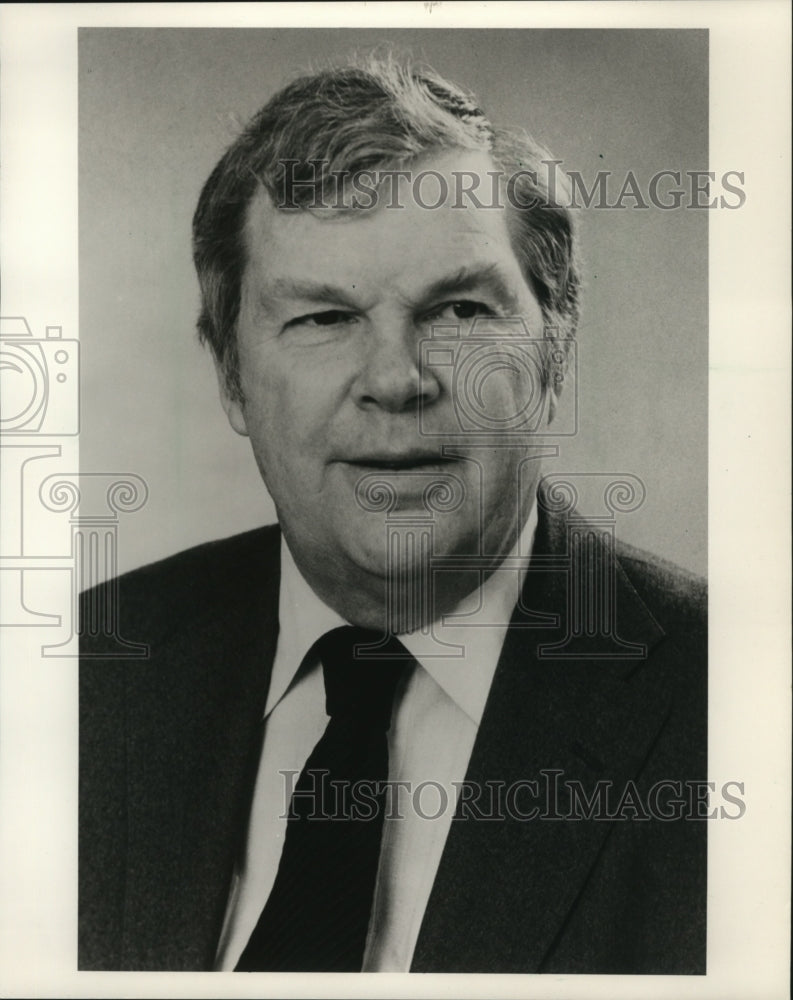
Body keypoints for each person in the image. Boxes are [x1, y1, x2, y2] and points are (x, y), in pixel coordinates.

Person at [79, 54, 707, 974]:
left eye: (456, 309)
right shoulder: (83, 676)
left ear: (554, 353)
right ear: (230, 378)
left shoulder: (734, 706)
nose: (394, 381)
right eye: (323, 319)